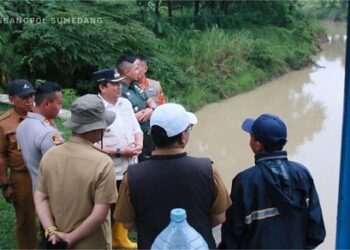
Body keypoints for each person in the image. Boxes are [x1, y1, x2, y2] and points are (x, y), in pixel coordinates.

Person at [114, 103, 232, 249]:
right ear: (183, 137)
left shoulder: (132, 176)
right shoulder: (207, 170)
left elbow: (127, 222)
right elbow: (220, 217)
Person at [219, 114, 326, 249]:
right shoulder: (302, 174)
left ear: (257, 145)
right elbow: (317, 231)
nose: (250, 140)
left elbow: (232, 238)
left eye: (251, 136)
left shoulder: (244, 181)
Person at [34, 94, 117, 249]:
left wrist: (51, 231)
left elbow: (40, 198)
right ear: (97, 127)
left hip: (55, 241)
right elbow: (99, 215)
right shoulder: (103, 163)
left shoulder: (50, 155)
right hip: (91, 243)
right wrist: (70, 238)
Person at [93, 68, 142, 249]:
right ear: (102, 87)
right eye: (114, 84)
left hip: (131, 164)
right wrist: (120, 151)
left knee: (127, 202)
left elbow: (136, 128)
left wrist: (139, 143)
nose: (119, 86)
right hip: (110, 168)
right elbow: (92, 144)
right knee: (109, 205)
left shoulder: (125, 103)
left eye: (119, 82)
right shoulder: (95, 109)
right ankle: (105, 239)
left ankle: (120, 237)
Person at [0, 79, 37, 249]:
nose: (29, 100)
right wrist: (5, 184)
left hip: (44, 174)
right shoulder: (4, 123)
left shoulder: (41, 115)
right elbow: (1, 156)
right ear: (12, 99)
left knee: (52, 214)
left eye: (31, 95)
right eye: (24, 97)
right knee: (26, 220)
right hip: (22, 177)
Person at [16, 81, 64, 192]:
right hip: (54, 192)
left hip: (37, 189)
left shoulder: (22, 126)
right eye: (59, 103)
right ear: (47, 104)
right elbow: (60, 167)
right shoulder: (49, 133)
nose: (60, 107)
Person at [116, 54, 157, 162]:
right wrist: (134, 117)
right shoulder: (118, 90)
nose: (139, 71)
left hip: (147, 136)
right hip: (132, 141)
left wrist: (151, 110)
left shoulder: (135, 85)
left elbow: (150, 101)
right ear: (127, 72)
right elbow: (117, 120)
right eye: (136, 68)